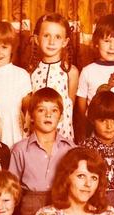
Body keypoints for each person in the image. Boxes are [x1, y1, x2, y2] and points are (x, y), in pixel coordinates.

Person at [9, 87, 75, 215]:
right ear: (31, 116)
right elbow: (12, 187)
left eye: (54, 110)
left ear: (61, 117)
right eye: (41, 110)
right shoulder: (19, 149)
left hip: (61, 205)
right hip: (30, 207)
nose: (48, 115)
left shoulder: (71, 149)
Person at [77, 14, 114, 139]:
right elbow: (82, 102)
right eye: (106, 41)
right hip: (95, 122)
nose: (112, 47)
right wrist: (90, 119)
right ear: (97, 42)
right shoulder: (88, 71)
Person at [29, 13, 79, 141]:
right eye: (46, 36)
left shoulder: (70, 72)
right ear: (36, 39)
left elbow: (70, 105)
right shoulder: (31, 72)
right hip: (36, 134)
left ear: (65, 42)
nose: (51, 42)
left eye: (57, 37)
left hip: (62, 135)